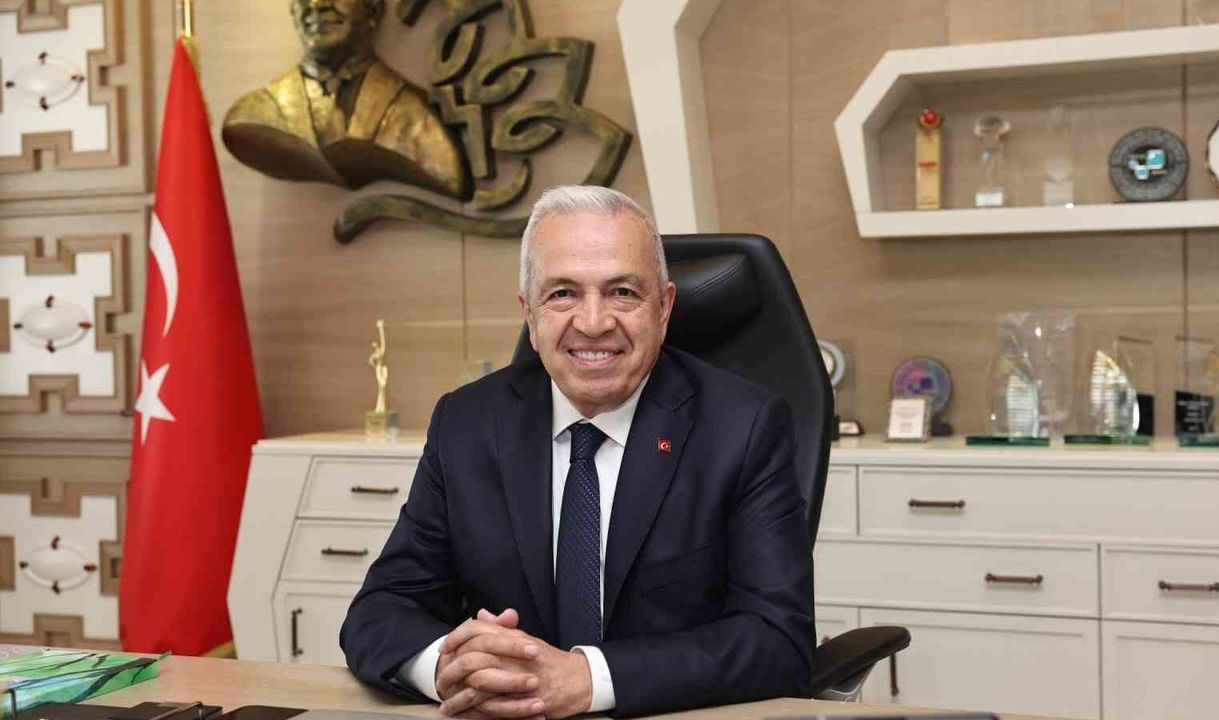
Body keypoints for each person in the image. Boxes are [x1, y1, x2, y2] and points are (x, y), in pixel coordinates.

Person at [340, 185, 814, 718]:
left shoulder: (743, 427)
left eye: (622, 293)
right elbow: (381, 609)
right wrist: (450, 669)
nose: (593, 322)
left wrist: (587, 678)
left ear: (664, 308)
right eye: (563, 293)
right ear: (529, 313)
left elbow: (777, 641)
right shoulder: (467, 423)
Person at [222, 0, 468, 199]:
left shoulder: (418, 118)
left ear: (374, 8)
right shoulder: (255, 114)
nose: (317, 4)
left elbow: (448, 173)